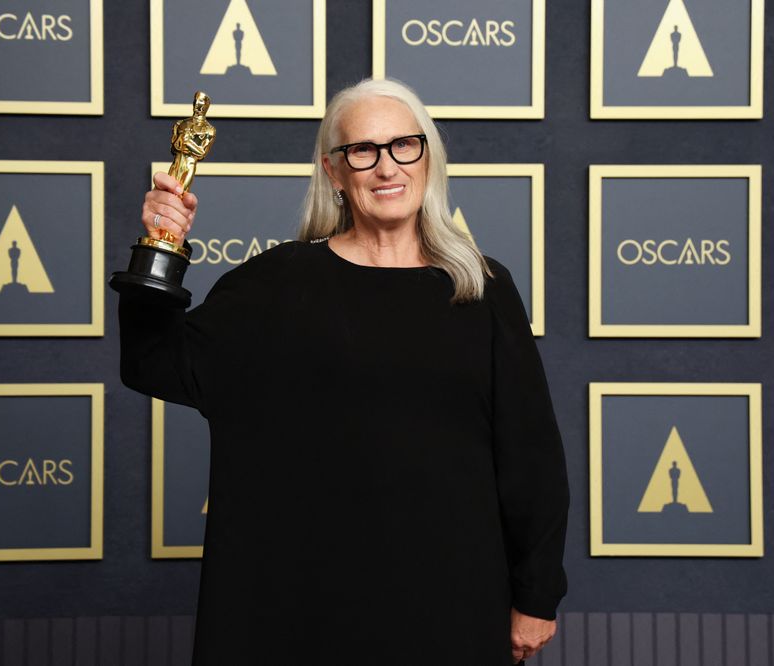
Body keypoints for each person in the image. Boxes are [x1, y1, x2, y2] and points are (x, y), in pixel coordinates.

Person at [119, 78, 569, 665]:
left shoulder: (482, 288)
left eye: (404, 145)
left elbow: (530, 454)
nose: (387, 167)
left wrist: (536, 595)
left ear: (428, 158)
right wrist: (161, 246)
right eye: (363, 150)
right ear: (334, 171)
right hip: (304, 606)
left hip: (452, 601)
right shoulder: (277, 284)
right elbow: (154, 363)